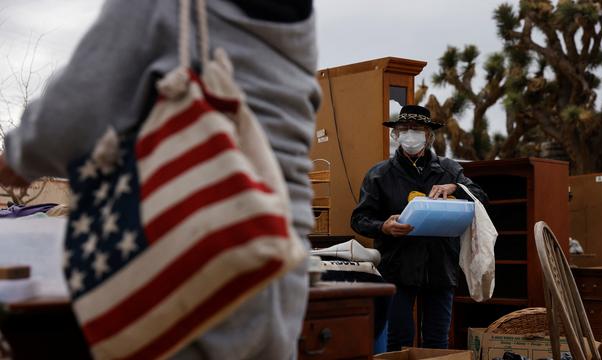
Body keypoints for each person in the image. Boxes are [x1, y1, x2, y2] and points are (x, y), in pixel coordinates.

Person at [0, 1, 320, 359]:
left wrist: (17, 156)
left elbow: (78, 109)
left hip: (191, 251)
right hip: (278, 257)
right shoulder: (296, 15)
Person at [350, 104, 488, 351]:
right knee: (397, 339)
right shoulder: (378, 175)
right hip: (397, 266)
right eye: (404, 129)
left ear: (429, 135)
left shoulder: (450, 170)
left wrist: (455, 188)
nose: (410, 134)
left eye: (417, 129)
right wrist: (384, 227)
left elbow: (480, 196)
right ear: (395, 135)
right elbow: (359, 218)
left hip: (441, 265)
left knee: (437, 340)